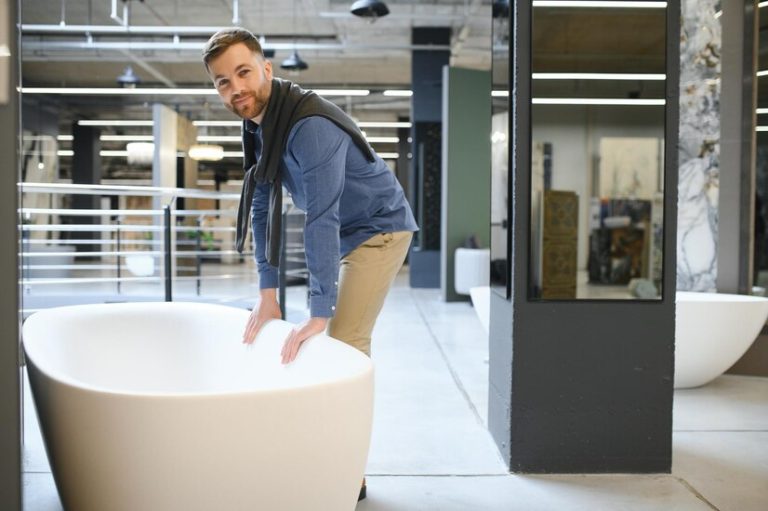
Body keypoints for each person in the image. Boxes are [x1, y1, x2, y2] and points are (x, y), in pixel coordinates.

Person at [203, 28, 417, 497]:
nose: (235, 88)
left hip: (379, 230)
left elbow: (321, 217)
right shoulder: (261, 123)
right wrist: (267, 295)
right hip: (346, 230)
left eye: (243, 72)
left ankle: (347, 472)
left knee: (344, 343)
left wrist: (319, 312)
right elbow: (262, 203)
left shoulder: (308, 124)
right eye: (222, 81)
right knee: (322, 341)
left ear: (267, 69)